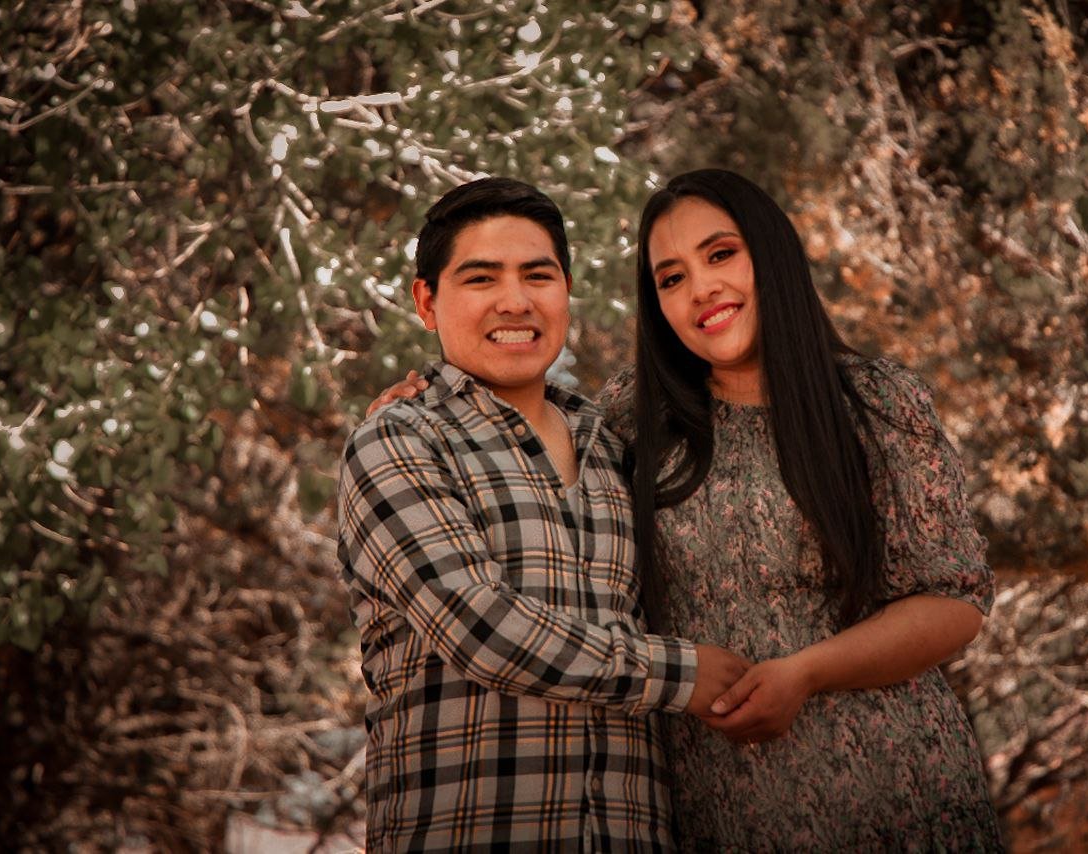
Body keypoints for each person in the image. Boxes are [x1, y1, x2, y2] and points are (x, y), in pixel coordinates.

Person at [371, 170, 1002, 849]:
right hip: (720, 808)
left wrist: (805, 673)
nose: (701, 289)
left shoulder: (874, 403)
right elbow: (505, 437)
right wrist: (413, 403)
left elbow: (954, 599)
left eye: (721, 254)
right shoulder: (633, 420)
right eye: (671, 278)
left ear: (772, 254)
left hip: (900, 786)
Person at [338, 176, 748, 852]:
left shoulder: (617, 443)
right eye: (481, 278)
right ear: (426, 302)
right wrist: (683, 675)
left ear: (566, 291)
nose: (516, 300)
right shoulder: (400, 440)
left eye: (538, 275)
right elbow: (480, 627)